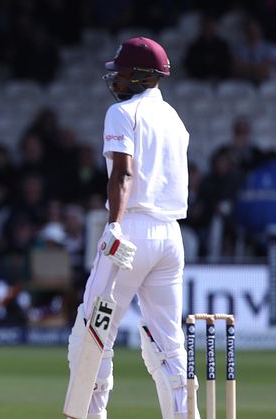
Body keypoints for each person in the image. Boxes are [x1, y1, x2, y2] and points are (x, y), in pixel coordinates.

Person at [64, 37, 197, 419]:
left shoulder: (122, 113)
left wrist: (114, 226)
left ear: (141, 76)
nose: (117, 79)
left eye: (123, 72)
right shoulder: (174, 117)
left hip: (131, 233)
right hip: (171, 237)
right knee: (167, 344)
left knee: (91, 335)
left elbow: (123, 173)